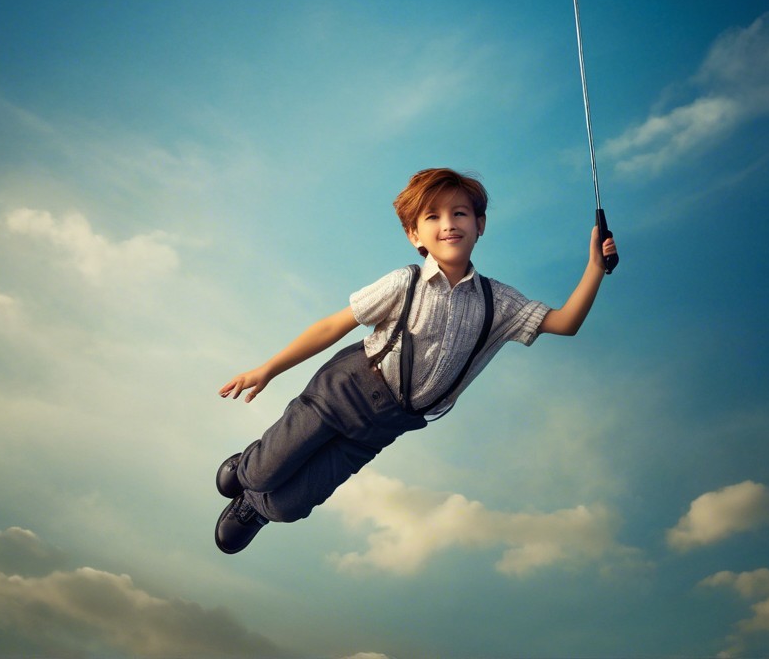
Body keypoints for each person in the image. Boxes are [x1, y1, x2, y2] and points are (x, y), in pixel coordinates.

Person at [213, 167, 617, 554]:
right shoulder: (404, 281)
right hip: (341, 392)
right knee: (263, 473)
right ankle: (250, 468)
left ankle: (259, 508)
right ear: (414, 235)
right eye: (433, 216)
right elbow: (332, 326)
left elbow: (565, 323)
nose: (449, 223)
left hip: (385, 424)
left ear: (480, 225)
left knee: (288, 507)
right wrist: (267, 369)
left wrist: (595, 268)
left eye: (460, 213)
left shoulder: (500, 303)